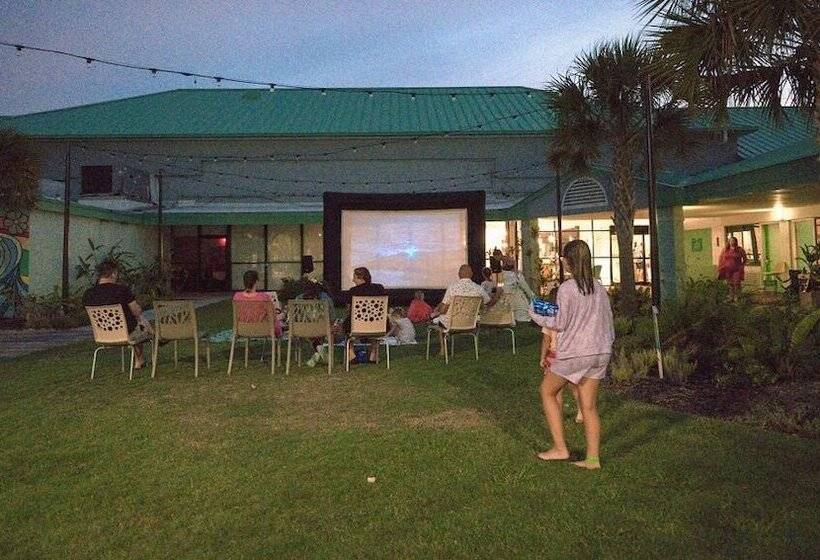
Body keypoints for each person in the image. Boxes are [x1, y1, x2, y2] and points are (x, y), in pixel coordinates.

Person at [528, 239, 614, 470]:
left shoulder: (567, 288)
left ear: (569, 261)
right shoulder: (599, 287)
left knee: (547, 391)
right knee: (588, 406)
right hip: (600, 351)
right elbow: (605, 319)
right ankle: (593, 459)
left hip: (576, 352)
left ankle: (560, 448)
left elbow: (560, 322)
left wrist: (536, 314)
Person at [82, 259, 153, 369]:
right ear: (114, 273)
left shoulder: (88, 294)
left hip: (102, 334)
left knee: (137, 322)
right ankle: (141, 358)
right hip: (125, 334)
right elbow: (136, 311)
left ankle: (142, 358)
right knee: (139, 321)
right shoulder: (122, 290)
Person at [341, 267, 387, 363]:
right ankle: (373, 355)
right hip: (378, 325)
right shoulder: (379, 288)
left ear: (361, 277)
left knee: (346, 323)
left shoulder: (353, 291)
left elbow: (349, 310)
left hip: (357, 326)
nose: (353, 280)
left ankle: (351, 354)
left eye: (354, 277)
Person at [540, 327, 583, 424]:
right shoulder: (571, 317)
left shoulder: (549, 320)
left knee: (555, 390)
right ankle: (581, 411)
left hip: (554, 356)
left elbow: (546, 340)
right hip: (571, 354)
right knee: (574, 386)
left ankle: (557, 414)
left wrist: (542, 357)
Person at [233, 269, 282, 338]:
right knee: (277, 322)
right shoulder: (264, 297)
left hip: (243, 329)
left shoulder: (236, 297)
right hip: (263, 329)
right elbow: (272, 316)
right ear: (256, 282)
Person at [501, 255, 536, 322]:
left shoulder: (504, 275)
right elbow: (526, 288)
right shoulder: (517, 276)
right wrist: (533, 297)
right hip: (517, 300)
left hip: (506, 300)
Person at [718, 236, 748, 300]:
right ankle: (731, 296)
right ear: (729, 242)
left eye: (733, 241)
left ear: (736, 241)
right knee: (730, 284)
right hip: (727, 269)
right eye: (730, 241)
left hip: (737, 269)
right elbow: (721, 258)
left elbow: (745, 259)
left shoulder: (740, 249)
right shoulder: (725, 249)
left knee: (737, 283)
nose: (732, 242)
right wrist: (720, 267)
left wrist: (742, 266)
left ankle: (737, 296)